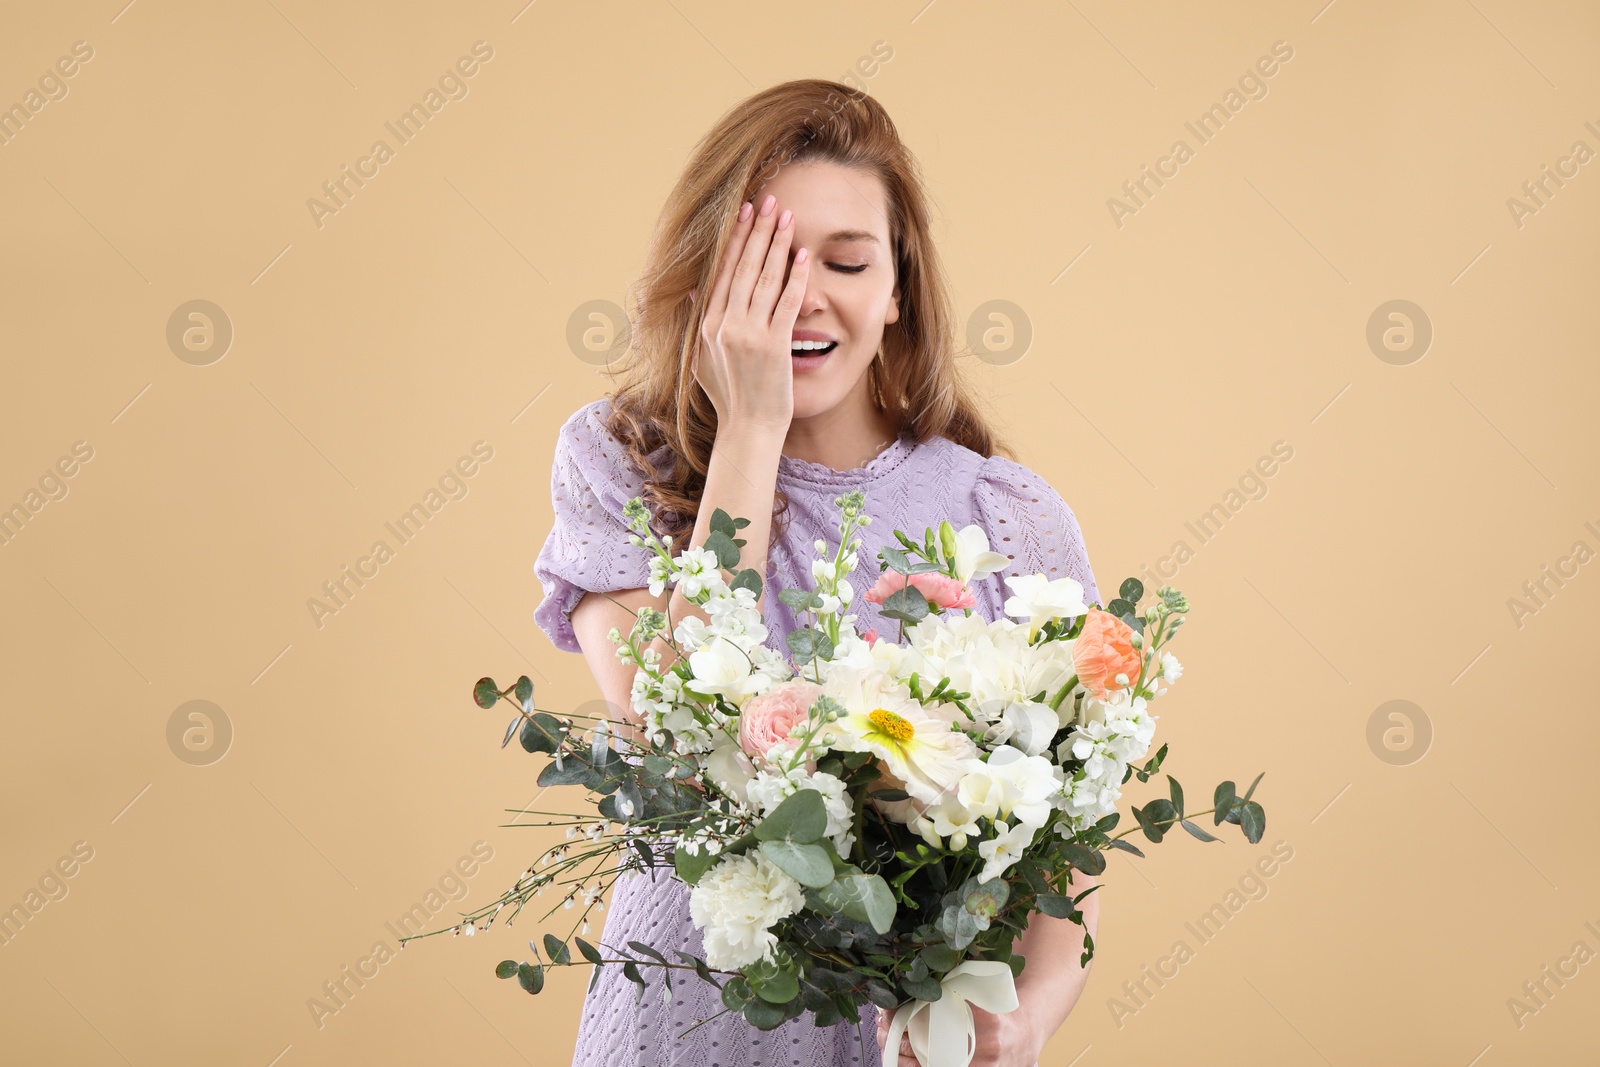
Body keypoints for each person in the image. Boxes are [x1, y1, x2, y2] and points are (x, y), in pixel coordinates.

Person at [533, 78, 1100, 1067]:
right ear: (709, 283)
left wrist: (1036, 1006)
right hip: (685, 1033)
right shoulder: (619, 461)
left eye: (844, 261)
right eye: (765, 266)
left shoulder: (1006, 514)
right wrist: (751, 424)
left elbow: (1068, 826)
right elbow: (673, 735)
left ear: (897, 291)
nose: (803, 297)